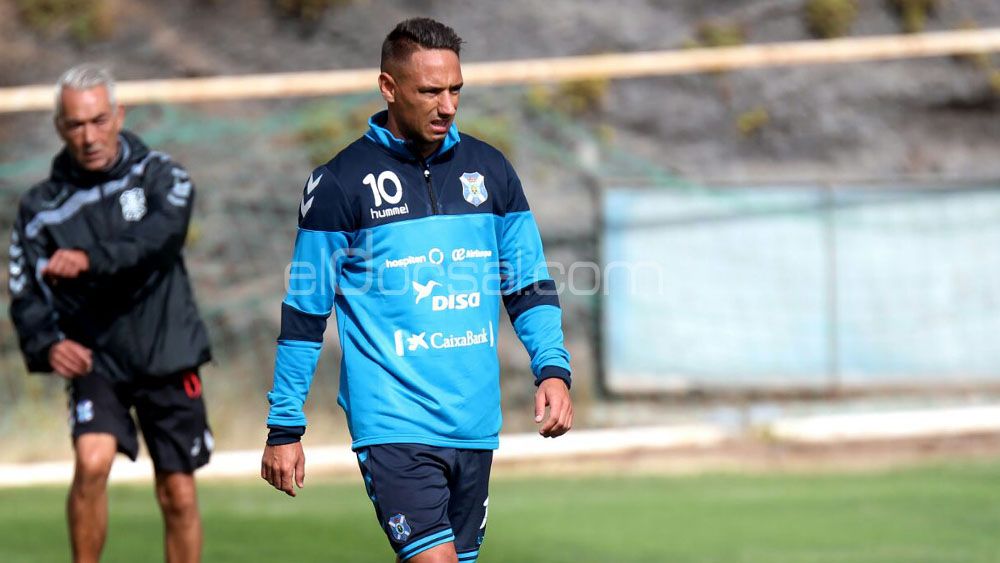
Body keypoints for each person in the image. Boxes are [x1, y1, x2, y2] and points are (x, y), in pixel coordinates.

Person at [261, 17, 573, 563]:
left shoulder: (491, 170)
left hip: (474, 422)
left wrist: (552, 368)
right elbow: (305, 311)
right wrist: (285, 423)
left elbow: (527, 283)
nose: (447, 105)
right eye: (430, 91)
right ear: (389, 88)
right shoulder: (341, 182)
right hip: (393, 422)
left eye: (455, 89)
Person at [7, 64, 213, 563]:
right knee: (91, 461)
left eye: (99, 120)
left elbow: (160, 239)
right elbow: (24, 291)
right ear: (60, 128)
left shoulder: (162, 175)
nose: (89, 135)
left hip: (167, 350)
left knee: (178, 494)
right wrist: (47, 343)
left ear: (119, 115)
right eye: (76, 124)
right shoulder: (41, 209)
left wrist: (91, 259)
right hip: (97, 359)